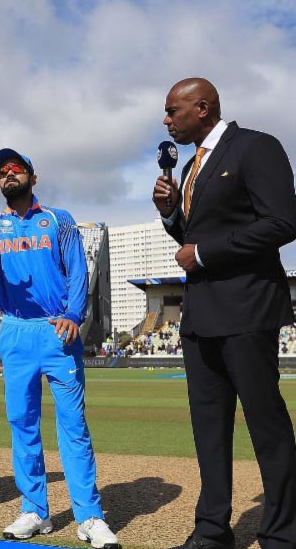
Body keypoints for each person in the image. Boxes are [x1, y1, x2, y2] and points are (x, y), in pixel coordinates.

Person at [152, 78, 296, 549]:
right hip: (200, 317)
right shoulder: (194, 166)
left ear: (203, 107)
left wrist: (207, 252)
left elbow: (283, 222)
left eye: (173, 110)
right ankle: (212, 530)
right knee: (208, 430)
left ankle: (281, 532)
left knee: (265, 425)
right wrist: (172, 215)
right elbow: (191, 241)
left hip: (249, 309)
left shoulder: (256, 147)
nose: (167, 119)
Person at [0, 149, 120, 547]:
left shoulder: (57, 219)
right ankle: (35, 510)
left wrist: (73, 314)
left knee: (73, 426)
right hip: (15, 331)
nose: (8, 174)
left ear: (33, 176)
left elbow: (78, 269)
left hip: (56, 330)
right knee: (22, 423)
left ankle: (89, 516)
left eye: (16, 169)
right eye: (2, 172)